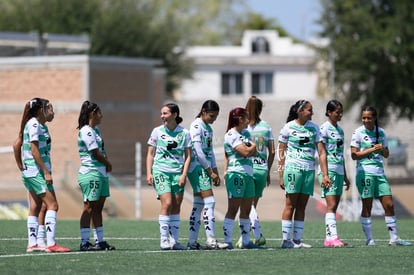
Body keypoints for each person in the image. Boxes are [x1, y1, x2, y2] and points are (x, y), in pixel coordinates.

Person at [14, 97, 70, 253]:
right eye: (50, 108)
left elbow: (17, 144)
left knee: (36, 206)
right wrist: (45, 172)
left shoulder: (38, 125)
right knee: (53, 205)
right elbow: (33, 150)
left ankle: (34, 243)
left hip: (31, 172)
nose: (52, 112)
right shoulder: (33, 124)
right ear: (41, 110)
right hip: (36, 172)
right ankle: (51, 244)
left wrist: (21, 165)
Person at [350, 106, 411, 246]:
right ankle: (369, 240)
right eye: (363, 117)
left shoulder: (381, 133)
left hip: (380, 174)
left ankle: (394, 238)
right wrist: (371, 149)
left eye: (368, 118)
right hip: (365, 173)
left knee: (389, 204)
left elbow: (387, 154)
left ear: (375, 118)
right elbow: (354, 155)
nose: (365, 120)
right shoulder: (358, 132)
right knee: (367, 206)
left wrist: (382, 149)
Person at [277, 99, 332, 249]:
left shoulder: (314, 128)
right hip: (293, 169)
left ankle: (297, 240)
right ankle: (286, 241)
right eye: (309, 110)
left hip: (308, 171)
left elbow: (321, 152)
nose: (312, 113)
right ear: (300, 111)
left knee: (302, 206)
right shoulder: (288, 128)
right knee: (290, 205)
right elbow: (280, 152)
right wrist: (281, 174)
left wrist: (325, 175)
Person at [146, 103, 192, 250]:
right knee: (167, 203)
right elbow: (150, 154)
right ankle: (164, 240)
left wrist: (184, 175)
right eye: (161, 113)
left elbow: (188, 156)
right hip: (161, 172)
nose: (162, 116)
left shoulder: (185, 133)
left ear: (175, 115)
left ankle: (174, 241)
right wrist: (149, 172)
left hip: (177, 174)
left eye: (165, 113)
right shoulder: (157, 131)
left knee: (176, 206)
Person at [187, 100, 228, 250]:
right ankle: (211, 241)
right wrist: (210, 171)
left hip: (204, 168)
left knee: (198, 204)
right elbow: (198, 152)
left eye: (216, 117)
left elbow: (209, 151)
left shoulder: (208, 129)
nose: (213, 119)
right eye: (212, 116)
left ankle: (192, 242)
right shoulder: (196, 126)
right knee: (210, 202)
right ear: (203, 111)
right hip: (196, 167)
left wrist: (215, 170)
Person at [235, 96, 275, 248]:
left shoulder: (243, 128)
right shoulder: (266, 127)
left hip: (247, 168)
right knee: (252, 205)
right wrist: (268, 170)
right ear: (260, 109)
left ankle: (256, 234)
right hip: (262, 169)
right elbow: (272, 151)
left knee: (245, 205)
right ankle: (246, 238)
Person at [77, 100, 115, 251]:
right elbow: (94, 152)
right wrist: (107, 163)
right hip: (91, 173)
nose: (102, 116)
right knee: (88, 207)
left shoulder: (96, 130)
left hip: (100, 174)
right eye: (100, 113)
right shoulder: (86, 131)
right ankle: (85, 242)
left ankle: (99, 241)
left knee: (98, 208)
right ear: (93, 114)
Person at [222, 107, 261, 249]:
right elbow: (245, 152)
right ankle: (227, 241)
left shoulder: (245, 133)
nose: (248, 120)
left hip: (248, 174)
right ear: (239, 119)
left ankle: (246, 240)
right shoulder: (231, 134)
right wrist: (253, 146)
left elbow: (255, 154)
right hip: (236, 174)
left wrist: (251, 149)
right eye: (246, 117)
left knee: (246, 209)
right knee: (233, 208)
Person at [318, 100, 350, 247]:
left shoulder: (340, 130)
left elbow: (341, 154)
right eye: (337, 112)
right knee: (331, 205)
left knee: (334, 206)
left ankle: (329, 238)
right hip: (328, 170)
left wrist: (345, 175)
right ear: (329, 112)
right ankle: (333, 238)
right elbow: (322, 153)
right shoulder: (323, 129)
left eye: (341, 111)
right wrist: (325, 175)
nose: (340, 114)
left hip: (338, 171)